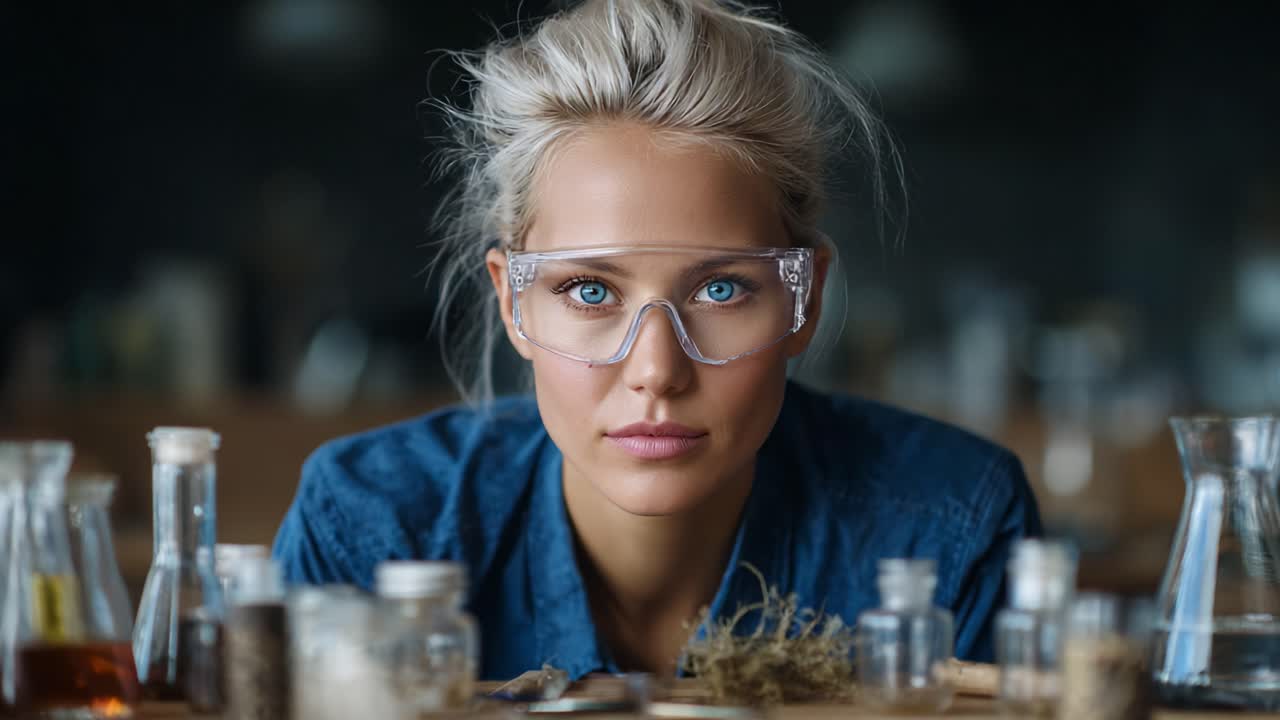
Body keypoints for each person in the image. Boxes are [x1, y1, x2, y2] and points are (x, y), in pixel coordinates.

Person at [274, 0, 1041, 681]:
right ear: (513, 302)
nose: (656, 372)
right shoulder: (372, 531)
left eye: (721, 289)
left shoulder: (949, 530)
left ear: (804, 302)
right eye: (590, 291)